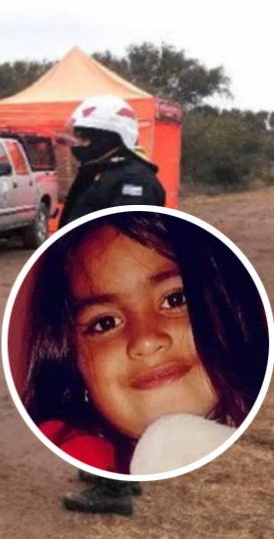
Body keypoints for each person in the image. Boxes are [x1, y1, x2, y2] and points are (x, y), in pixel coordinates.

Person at [21, 212, 269, 511]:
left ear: (230, 309)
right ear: (74, 366)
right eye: (105, 323)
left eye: (175, 300)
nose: (146, 341)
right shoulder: (72, 444)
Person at [52, 95, 168, 514]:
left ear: (110, 137)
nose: (78, 144)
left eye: (85, 136)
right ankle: (118, 472)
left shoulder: (131, 181)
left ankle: (113, 488)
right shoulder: (104, 174)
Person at [59, 96, 165, 227]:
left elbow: (126, 234)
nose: (76, 146)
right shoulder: (97, 173)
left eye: (83, 139)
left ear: (108, 140)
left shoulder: (134, 180)